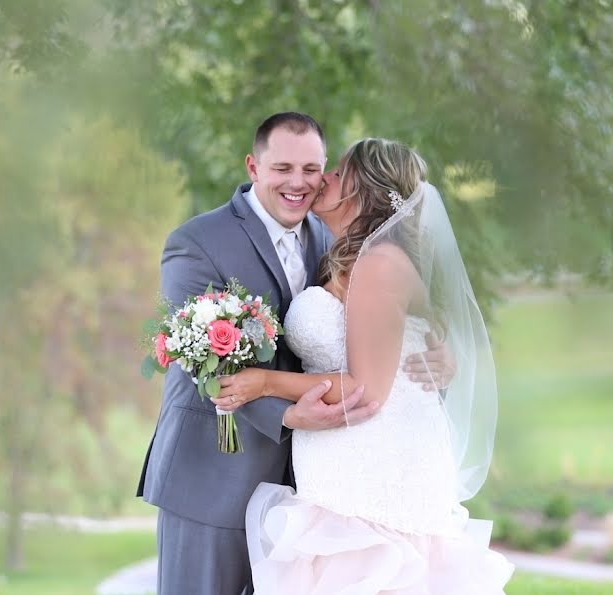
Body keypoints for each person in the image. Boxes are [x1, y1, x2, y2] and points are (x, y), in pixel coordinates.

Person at [137, 114, 454, 594]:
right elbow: (198, 356)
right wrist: (285, 414)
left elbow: (397, 324)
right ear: (253, 166)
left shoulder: (341, 240)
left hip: (316, 483)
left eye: (314, 169)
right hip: (216, 474)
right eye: (282, 167)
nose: (302, 182)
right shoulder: (198, 242)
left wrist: (441, 352)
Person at [214, 138, 515, 593]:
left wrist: (264, 382)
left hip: (375, 470)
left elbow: (367, 391)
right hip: (348, 460)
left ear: (367, 191)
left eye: (340, 172)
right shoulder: (347, 255)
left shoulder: (378, 264)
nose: (325, 178)